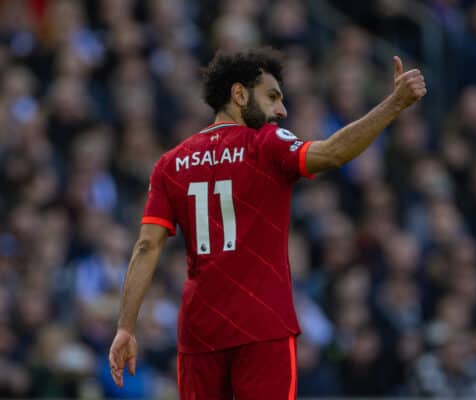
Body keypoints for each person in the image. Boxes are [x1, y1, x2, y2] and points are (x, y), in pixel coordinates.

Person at [108, 47, 426, 399]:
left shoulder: (170, 163)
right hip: (262, 325)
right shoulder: (266, 143)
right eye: (272, 96)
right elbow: (334, 153)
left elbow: (147, 245)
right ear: (239, 94)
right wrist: (394, 104)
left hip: (200, 331)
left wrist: (125, 327)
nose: (281, 110)